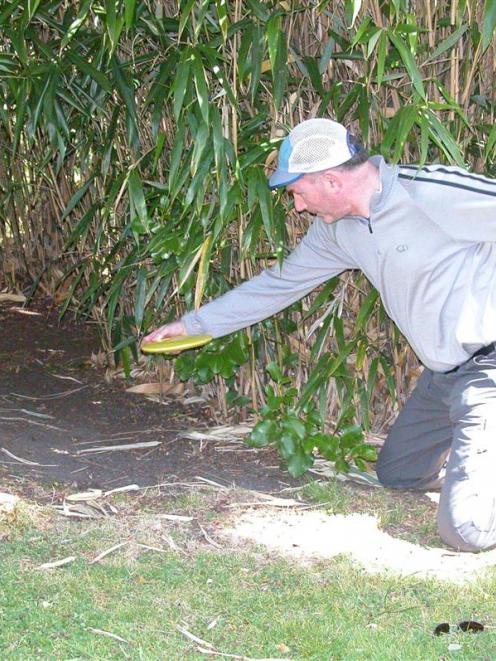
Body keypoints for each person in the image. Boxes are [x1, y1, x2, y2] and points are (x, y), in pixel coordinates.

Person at [143, 118, 496, 552]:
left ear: (330, 180)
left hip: (489, 367)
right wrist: (194, 325)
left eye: (297, 192)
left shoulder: (431, 194)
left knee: (466, 532)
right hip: (444, 374)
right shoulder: (337, 231)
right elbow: (279, 285)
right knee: (399, 474)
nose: (296, 207)